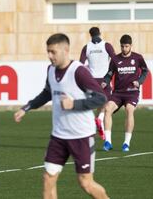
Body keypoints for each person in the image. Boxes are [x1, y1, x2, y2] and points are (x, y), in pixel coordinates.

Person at [14, 33, 109, 199]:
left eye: (53, 52)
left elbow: (101, 98)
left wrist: (75, 104)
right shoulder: (50, 69)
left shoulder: (79, 71)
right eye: (48, 52)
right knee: (48, 178)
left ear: (66, 50)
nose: (50, 56)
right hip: (58, 136)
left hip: (81, 136)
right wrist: (27, 108)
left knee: (85, 183)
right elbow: (47, 93)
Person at [102, 34, 149, 152]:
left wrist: (139, 81)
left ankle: (126, 143)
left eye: (126, 46)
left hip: (132, 92)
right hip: (117, 93)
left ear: (131, 46)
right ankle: (108, 142)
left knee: (129, 109)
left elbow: (145, 71)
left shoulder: (138, 58)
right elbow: (109, 73)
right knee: (107, 109)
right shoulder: (115, 59)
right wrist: (105, 82)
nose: (124, 49)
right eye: (122, 46)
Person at [80, 27, 116, 140]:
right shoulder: (107, 46)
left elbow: (80, 64)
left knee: (98, 105)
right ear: (100, 33)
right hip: (104, 80)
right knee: (108, 105)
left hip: (92, 80)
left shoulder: (86, 47)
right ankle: (100, 119)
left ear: (90, 35)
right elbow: (115, 61)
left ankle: (95, 127)